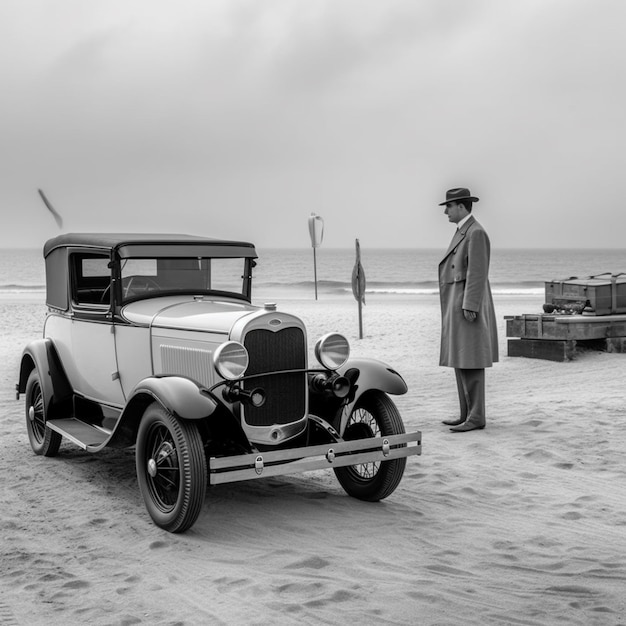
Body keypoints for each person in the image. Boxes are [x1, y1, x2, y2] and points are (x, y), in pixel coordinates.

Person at [437, 187, 498, 432]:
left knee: (471, 361)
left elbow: (478, 272)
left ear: (461, 207)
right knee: (461, 359)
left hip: (466, 305)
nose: (445, 211)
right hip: (458, 304)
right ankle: (466, 414)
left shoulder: (476, 233)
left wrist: (470, 304)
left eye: (448, 206)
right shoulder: (465, 231)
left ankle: (476, 417)